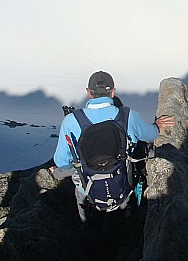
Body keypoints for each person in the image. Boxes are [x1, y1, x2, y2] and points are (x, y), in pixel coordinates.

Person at [51, 71, 175, 222]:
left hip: (88, 187)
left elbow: (62, 162)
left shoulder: (71, 121)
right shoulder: (128, 116)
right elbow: (151, 135)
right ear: (113, 92)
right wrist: (157, 126)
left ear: (88, 93)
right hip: (122, 184)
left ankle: (87, 228)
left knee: (80, 193)